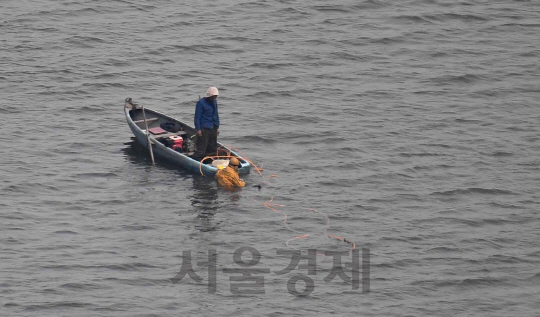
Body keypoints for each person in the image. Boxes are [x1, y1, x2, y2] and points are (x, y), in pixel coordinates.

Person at [193, 87, 220, 160]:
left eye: (215, 96)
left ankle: (209, 161)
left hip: (213, 127)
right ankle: (197, 161)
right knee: (202, 148)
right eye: (213, 96)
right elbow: (197, 117)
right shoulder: (201, 103)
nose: (215, 98)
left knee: (212, 147)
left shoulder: (215, 102)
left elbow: (216, 115)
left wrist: (216, 127)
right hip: (204, 128)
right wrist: (198, 129)